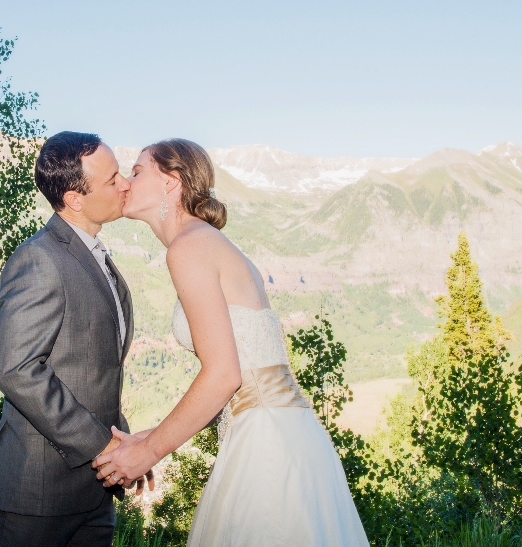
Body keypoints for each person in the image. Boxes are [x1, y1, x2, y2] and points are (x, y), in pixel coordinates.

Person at [93, 139, 369, 546]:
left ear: (171, 182)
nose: (127, 182)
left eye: (137, 171)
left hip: (266, 444)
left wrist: (148, 452)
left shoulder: (188, 247)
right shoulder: (204, 241)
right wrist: (150, 435)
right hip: (277, 428)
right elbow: (242, 374)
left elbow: (223, 374)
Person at [0, 131, 153, 547]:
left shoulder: (93, 256)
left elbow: (93, 372)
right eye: (112, 180)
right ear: (74, 198)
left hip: (93, 494)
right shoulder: (39, 258)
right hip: (33, 495)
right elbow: (18, 370)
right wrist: (104, 445)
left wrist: (125, 447)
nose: (124, 184)